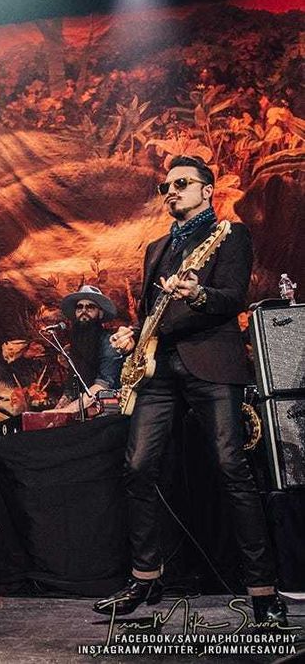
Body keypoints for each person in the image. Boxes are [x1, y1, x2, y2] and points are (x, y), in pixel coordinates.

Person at [96, 156, 287, 625]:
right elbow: (151, 312)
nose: (171, 191)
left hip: (211, 361)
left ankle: (263, 592)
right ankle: (146, 576)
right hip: (159, 369)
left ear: (207, 190)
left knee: (231, 468)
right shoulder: (157, 247)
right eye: (166, 186)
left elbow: (232, 297)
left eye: (181, 183)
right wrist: (134, 333)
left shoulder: (229, 234)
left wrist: (197, 294)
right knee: (137, 466)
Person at [50, 285, 122, 415]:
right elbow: (72, 385)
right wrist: (55, 412)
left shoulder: (110, 342)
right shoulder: (76, 344)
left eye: (90, 307)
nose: (84, 311)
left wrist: (69, 409)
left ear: (100, 313)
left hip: (110, 408)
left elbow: (104, 384)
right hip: (85, 409)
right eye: (79, 307)